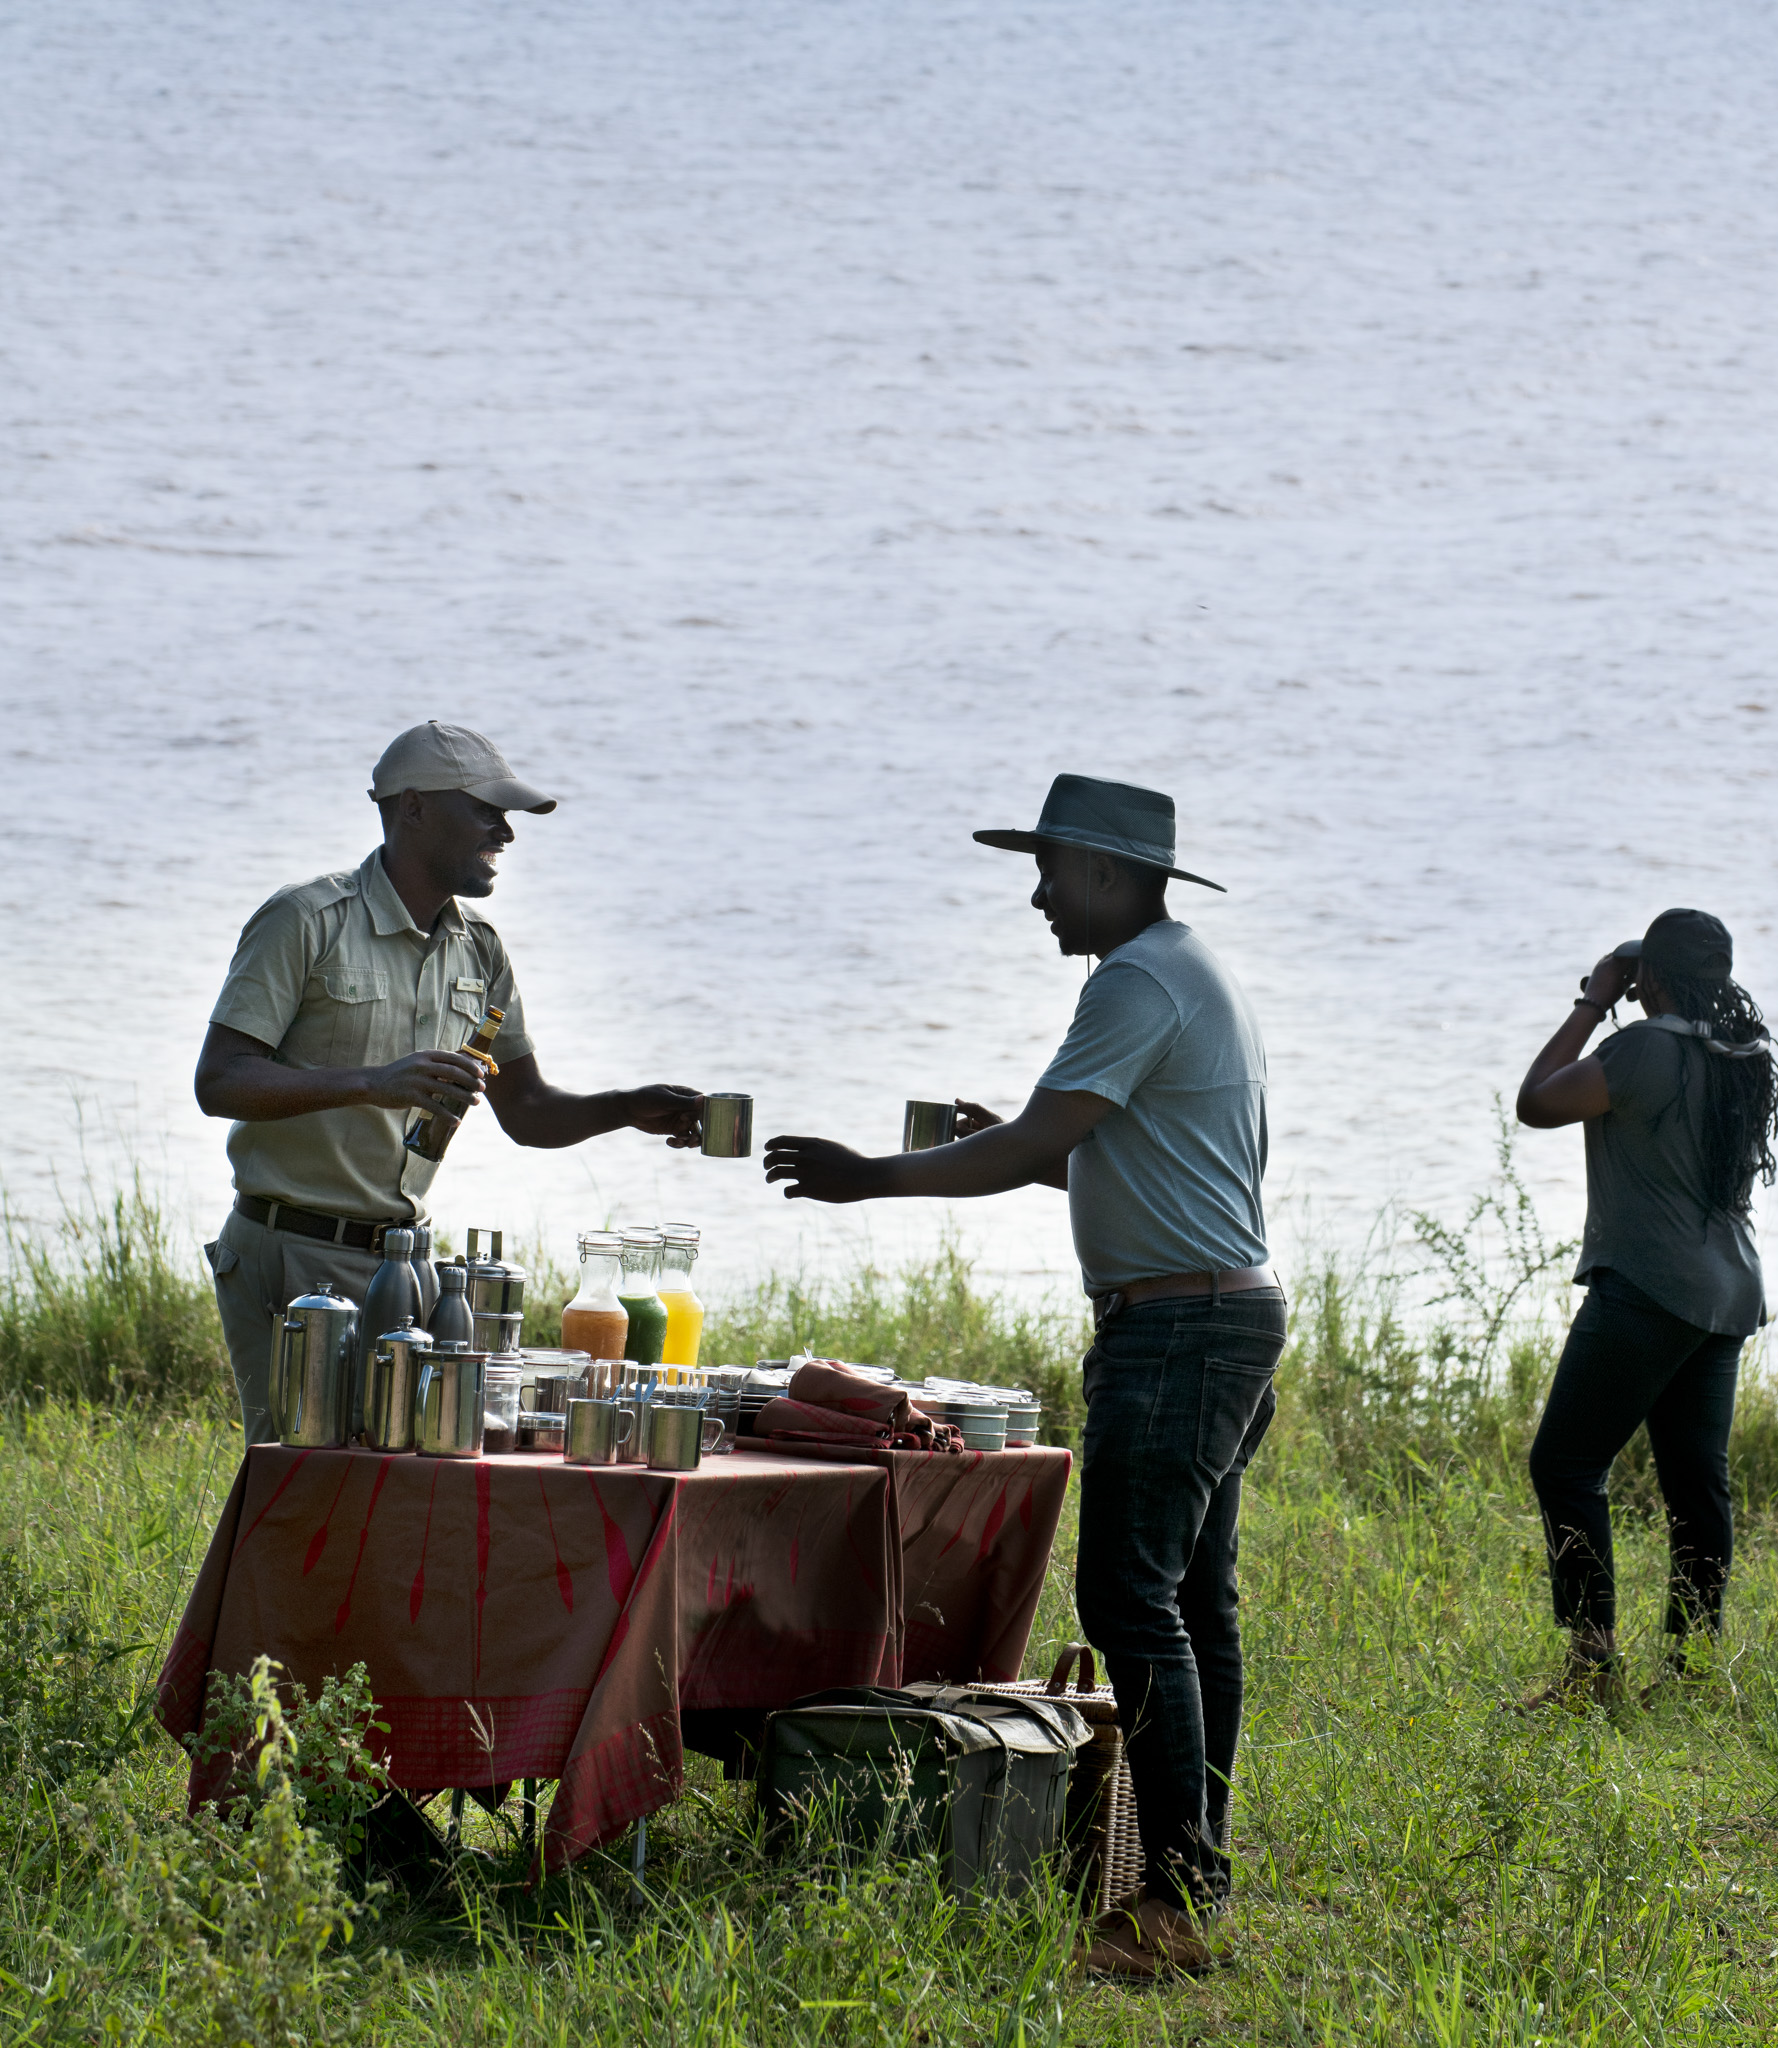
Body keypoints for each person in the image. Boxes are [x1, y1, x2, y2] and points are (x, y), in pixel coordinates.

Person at [763, 773, 1282, 1979]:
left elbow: (1039, 1146)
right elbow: (1108, 1156)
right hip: (1222, 1314)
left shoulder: (1141, 977)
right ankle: (1186, 1869)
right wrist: (1019, 1128)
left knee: (1131, 1603)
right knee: (1192, 1602)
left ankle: (1172, 1901)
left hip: (1179, 1332)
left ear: (1107, 870)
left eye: (1049, 870)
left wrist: (871, 1175)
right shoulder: (1174, 970)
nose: (1038, 895)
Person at [195, 721, 704, 1441]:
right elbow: (221, 1082)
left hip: (405, 1266)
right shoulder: (306, 920)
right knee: (301, 1488)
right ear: (413, 807)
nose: (506, 833)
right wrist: (375, 1083)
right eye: (486, 810)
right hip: (290, 1257)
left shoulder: (482, 952)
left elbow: (527, 1111)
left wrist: (626, 1108)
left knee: (403, 1488)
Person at [1514, 908, 1778, 1707]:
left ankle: (1592, 1668)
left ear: (1652, 979)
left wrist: (1596, 1000)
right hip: (1726, 1290)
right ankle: (1695, 1667)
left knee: (1564, 1466)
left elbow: (1536, 1101)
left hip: (1648, 1287)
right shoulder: (1743, 1054)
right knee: (1696, 1482)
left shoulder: (1637, 1049)